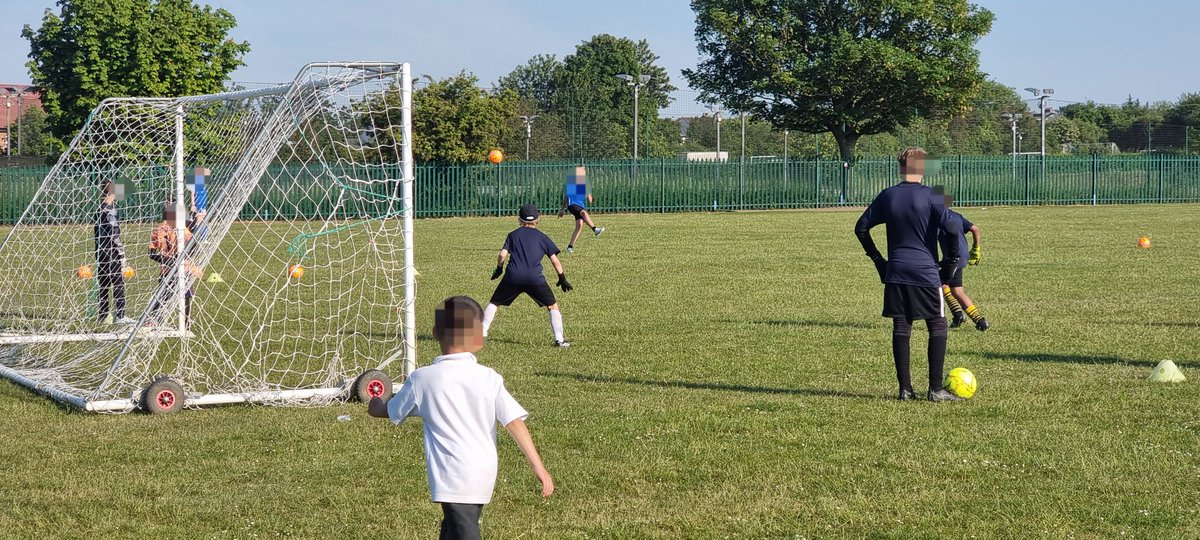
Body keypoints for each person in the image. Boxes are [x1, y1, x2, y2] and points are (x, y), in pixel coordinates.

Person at [368, 296, 554, 540]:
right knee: (454, 527)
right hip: (484, 471)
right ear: (478, 336)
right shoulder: (489, 377)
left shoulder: (422, 379)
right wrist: (537, 465)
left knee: (464, 530)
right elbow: (514, 421)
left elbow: (391, 411)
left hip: (453, 476)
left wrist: (374, 404)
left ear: (435, 333)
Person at [855, 148, 963, 402]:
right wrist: (950, 263)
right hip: (925, 271)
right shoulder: (935, 194)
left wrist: (879, 261)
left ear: (901, 167)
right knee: (937, 324)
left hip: (896, 271)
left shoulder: (888, 195)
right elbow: (952, 227)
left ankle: (905, 389)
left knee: (902, 326)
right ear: (923, 168)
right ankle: (935, 389)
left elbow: (860, 228)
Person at [483, 203, 574, 347]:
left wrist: (499, 269)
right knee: (552, 306)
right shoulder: (542, 237)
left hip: (513, 276)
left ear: (520, 220)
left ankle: (482, 333)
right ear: (537, 219)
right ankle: (559, 340)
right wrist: (562, 278)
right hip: (534, 278)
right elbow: (554, 260)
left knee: (495, 303)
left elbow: (502, 254)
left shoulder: (513, 235)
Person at [938, 195, 988, 331]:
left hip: (953, 259)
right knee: (956, 290)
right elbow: (976, 229)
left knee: (939, 284)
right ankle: (980, 321)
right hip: (961, 256)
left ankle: (957, 314)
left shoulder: (938, 219)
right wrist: (976, 249)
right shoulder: (956, 216)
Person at [147, 201, 195, 327]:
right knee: (184, 296)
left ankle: (155, 321)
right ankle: (186, 323)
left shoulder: (158, 230)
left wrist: (167, 261)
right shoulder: (183, 230)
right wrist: (174, 260)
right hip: (183, 268)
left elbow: (151, 254)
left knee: (162, 296)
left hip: (167, 270)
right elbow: (192, 249)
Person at [94, 179, 133, 324]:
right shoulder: (111, 209)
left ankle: (103, 315)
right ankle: (120, 315)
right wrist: (122, 256)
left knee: (103, 283)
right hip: (111, 251)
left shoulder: (99, 207)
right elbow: (114, 235)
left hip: (100, 251)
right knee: (118, 282)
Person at [557, 166, 604, 253]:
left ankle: (570, 247)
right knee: (584, 213)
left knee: (579, 225)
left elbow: (588, 196)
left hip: (580, 205)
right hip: (572, 205)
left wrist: (589, 195)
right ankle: (595, 229)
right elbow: (566, 197)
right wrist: (562, 209)